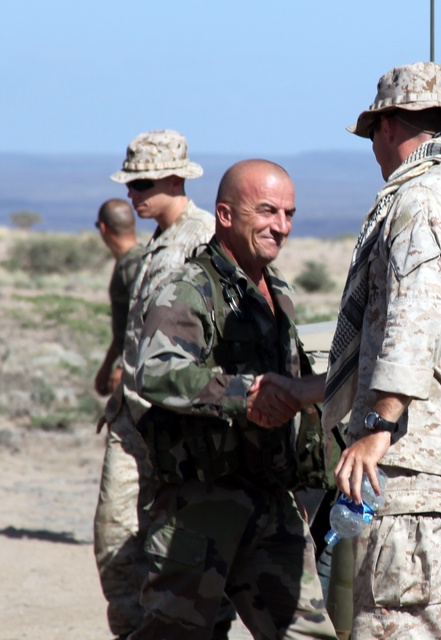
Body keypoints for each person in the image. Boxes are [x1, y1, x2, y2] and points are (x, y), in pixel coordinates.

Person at [322, 61, 441, 639]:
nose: (374, 146)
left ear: (391, 126)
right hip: (434, 464)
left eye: (374, 131)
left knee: (400, 624)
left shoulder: (422, 201)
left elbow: (415, 316)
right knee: (430, 620)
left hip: (413, 458)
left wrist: (377, 426)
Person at [130, 159, 338, 639]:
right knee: (174, 632)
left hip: (272, 503)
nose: (280, 226)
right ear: (225, 215)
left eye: (288, 213)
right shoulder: (190, 287)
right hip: (201, 504)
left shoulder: (275, 291)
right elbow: (158, 373)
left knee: (306, 632)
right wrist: (246, 395)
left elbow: (291, 379)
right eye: (267, 211)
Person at [92, 130, 221, 639]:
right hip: (134, 416)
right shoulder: (157, 243)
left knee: (172, 546)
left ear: (174, 179)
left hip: (173, 420)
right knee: (115, 537)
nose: (133, 194)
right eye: (130, 183)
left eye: (143, 183)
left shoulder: (204, 237)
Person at [93, 198, 143, 396]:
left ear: (103, 228)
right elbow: (125, 325)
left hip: (137, 370)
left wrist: (123, 365)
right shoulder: (130, 261)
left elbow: (144, 320)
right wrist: (108, 364)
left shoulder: (133, 265)